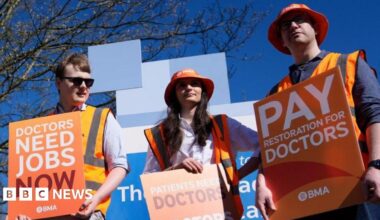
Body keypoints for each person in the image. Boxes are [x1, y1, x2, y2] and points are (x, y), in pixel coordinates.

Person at [256, 3, 380, 220]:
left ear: (315, 29)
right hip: (302, 200)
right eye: (285, 25)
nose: (293, 26)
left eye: (300, 19)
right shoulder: (275, 93)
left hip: (355, 188)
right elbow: (270, 151)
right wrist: (261, 184)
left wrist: (377, 166)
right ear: (282, 41)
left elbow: (375, 115)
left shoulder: (348, 64)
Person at [16, 53, 129, 220]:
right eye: (76, 81)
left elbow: (119, 166)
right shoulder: (38, 127)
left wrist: (96, 198)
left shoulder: (102, 117)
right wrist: (21, 210)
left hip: (88, 213)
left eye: (88, 82)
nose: (84, 86)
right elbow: (29, 179)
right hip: (47, 215)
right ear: (59, 83)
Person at [143, 68, 260, 219]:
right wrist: (177, 169)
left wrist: (235, 177)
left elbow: (262, 144)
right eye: (182, 85)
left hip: (222, 210)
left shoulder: (223, 124)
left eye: (194, 83)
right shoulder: (159, 134)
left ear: (202, 91)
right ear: (175, 94)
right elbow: (149, 180)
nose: (189, 88)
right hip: (180, 213)